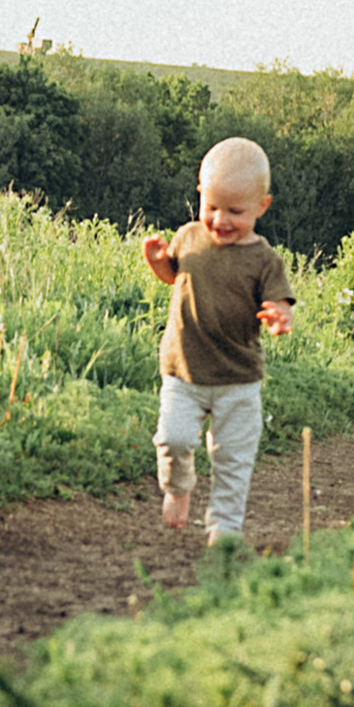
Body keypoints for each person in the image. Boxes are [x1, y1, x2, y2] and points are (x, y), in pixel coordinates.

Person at [140, 135, 294, 541]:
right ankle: (178, 487)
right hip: (182, 370)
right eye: (211, 207)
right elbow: (173, 276)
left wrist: (279, 317)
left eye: (235, 211)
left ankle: (224, 528)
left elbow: (280, 302)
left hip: (238, 380)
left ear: (262, 207)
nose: (220, 220)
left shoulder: (264, 259)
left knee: (233, 459)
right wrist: (158, 261)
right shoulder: (188, 237)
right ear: (199, 195)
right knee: (171, 439)